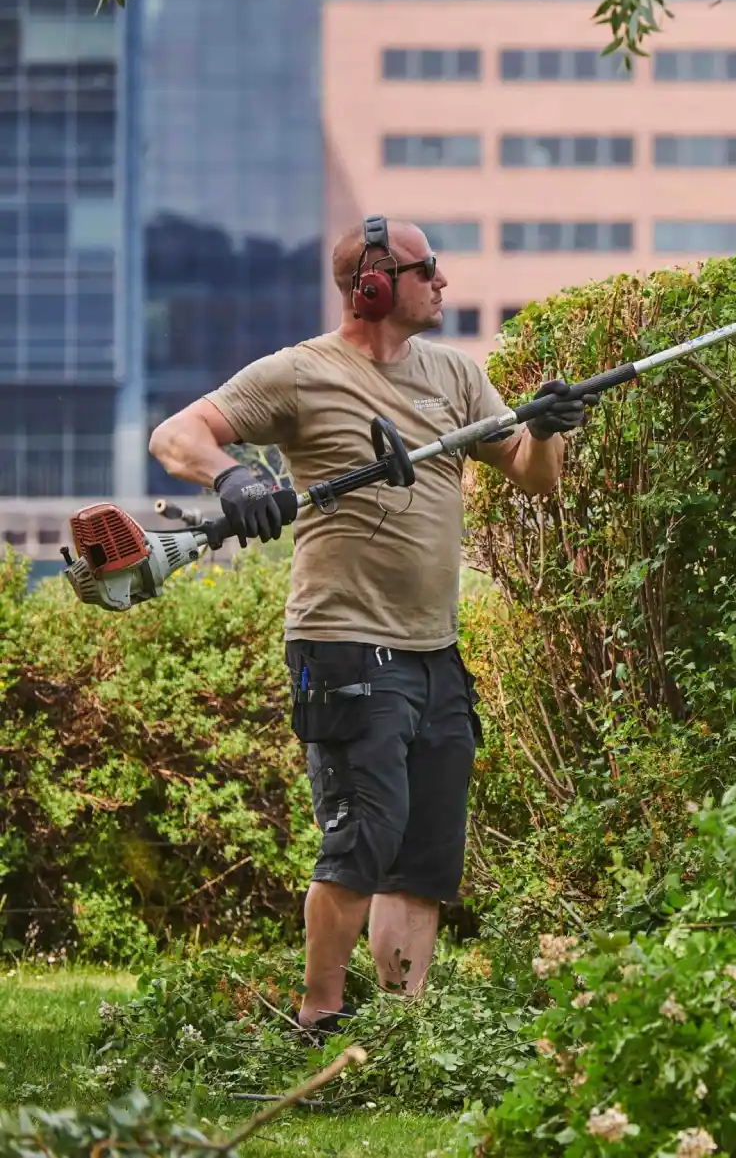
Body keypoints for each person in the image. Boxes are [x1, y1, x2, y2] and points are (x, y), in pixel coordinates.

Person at [148, 216, 589, 1032]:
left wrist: (548, 432)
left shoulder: (456, 375)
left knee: (423, 857)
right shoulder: (301, 373)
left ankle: (396, 1029)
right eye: (430, 270)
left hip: (435, 649)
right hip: (345, 641)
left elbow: (532, 478)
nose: (445, 283)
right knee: (363, 834)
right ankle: (319, 1020)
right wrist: (234, 475)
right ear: (375, 286)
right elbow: (177, 435)